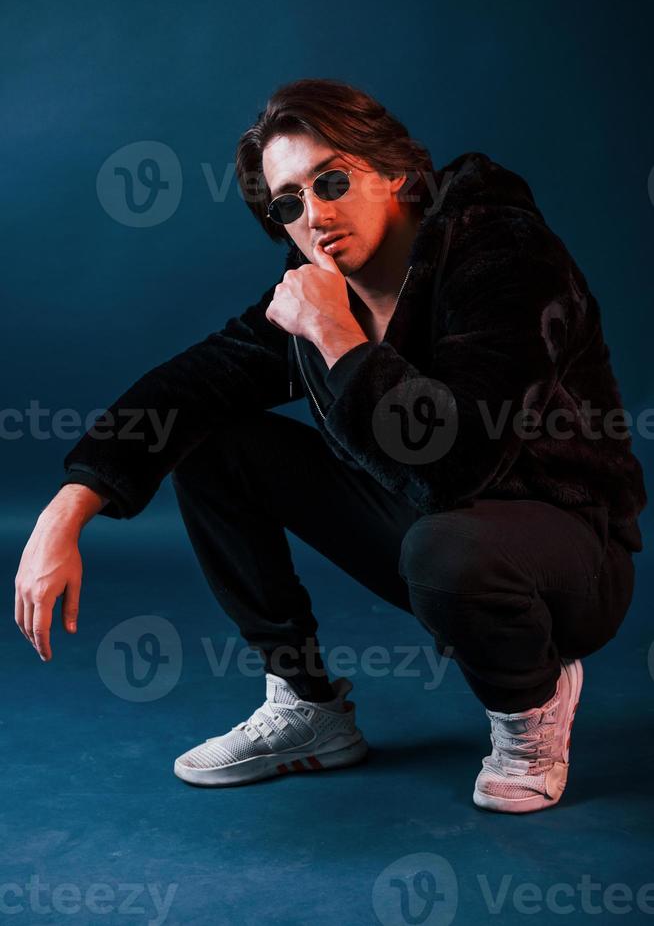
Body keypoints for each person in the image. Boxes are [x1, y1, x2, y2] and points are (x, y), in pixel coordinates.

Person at [14, 78, 647, 813]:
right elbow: (190, 385)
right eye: (288, 203)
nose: (314, 215)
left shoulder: (501, 252)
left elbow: (460, 462)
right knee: (209, 439)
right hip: (432, 536)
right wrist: (67, 509)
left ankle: (532, 707)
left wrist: (338, 337)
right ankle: (309, 710)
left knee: (446, 548)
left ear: (396, 170)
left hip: (569, 559)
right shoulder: (318, 289)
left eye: (333, 180)